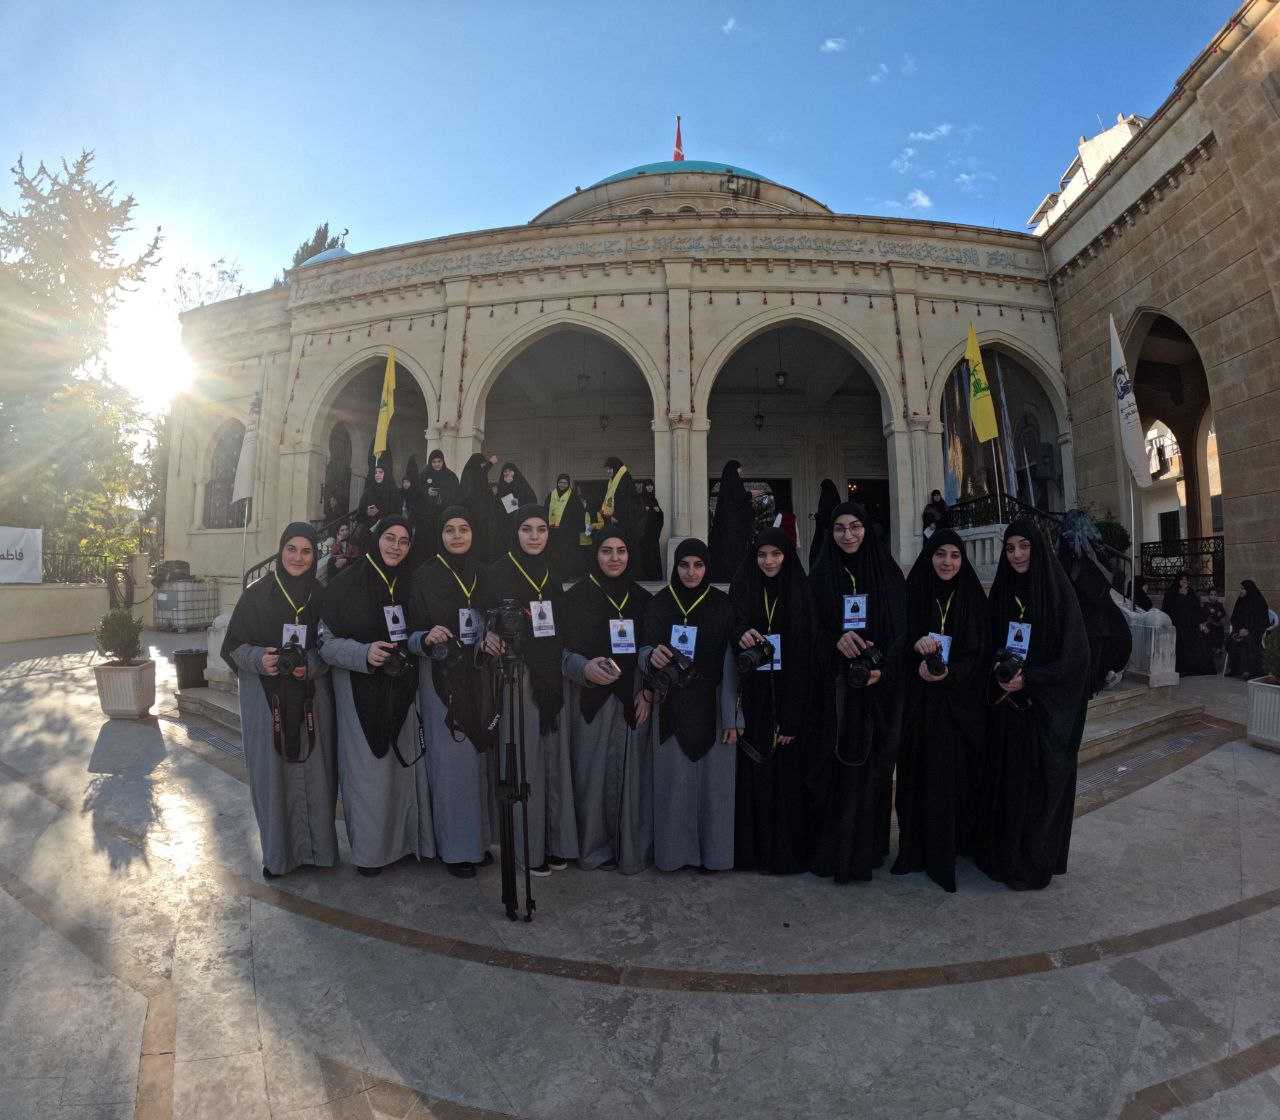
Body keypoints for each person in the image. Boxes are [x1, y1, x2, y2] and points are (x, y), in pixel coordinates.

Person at [976, 520, 1089, 892]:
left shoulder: (1058, 595)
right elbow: (988, 642)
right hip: (1008, 714)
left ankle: (1031, 864)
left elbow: (1075, 660)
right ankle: (1003, 858)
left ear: (1038, 549)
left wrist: (1031, 678)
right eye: (1010, 548)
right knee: (1008, 788)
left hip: (1042, 716)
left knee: (1038, 793)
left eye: (1024, 546)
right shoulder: (1004, 592)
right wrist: (998, 669)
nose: (1017, 555)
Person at [221, 523, 338, 880]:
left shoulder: (322, 596)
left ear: (315, 555)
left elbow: (330, 646)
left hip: (310, 699)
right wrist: (261, 659)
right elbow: (233, 646)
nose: (298, 558)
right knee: (272, 778)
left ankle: (319, 852)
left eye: (306, 551)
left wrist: (310, 664)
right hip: (266, 699)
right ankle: (278, 857)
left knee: (316, 774)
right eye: (291, 549)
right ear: (280, 550)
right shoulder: (257, 594)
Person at [319, 515, 433, 876]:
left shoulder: (410, 583)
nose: (396, 547)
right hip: (359, 691)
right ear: (376, 538)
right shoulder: (345, 584)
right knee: (368, 777)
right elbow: (325, 644)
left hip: (402, 688)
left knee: (402, 772)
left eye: (404, 541)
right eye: (389, 538)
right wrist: (363, 653)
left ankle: (404, 845)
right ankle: (371, 853)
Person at [805, 502, 908, 883]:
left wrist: (884, 667)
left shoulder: (887, 573)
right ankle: (834, 850)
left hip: (876, 692)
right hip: (835, 694)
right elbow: (809, 630)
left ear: (867, 529)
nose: (847, 535)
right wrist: (835, 640)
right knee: (836, 771)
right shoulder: (821, 577)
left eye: (855, 527)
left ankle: (867, 848)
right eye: (839, 528)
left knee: (872, 773)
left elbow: (902, 631)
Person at [890, 529, 989, 893]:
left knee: (948, 781)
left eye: (955, 555)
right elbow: (897, 640)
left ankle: (946, 853)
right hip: (919, 706)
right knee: (915, 777)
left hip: (955, 707)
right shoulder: (914, 592)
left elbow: (979, 653)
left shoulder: (973, 598)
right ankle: (914, 851)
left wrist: (951, 673)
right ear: (929, 557)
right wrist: (914, 649)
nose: (947, 562)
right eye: (940, 554)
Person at [479, 504, 576, 874]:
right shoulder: (497, 571)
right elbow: (481, 618)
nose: (535, 537)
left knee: (552, 763)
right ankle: (527, 849)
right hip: (516, 677)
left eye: (541, 529)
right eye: (526, 529)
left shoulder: (552, 571)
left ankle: (553, 843)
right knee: (524, 764)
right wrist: (487, 637)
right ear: (514, 532)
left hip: (551, 677)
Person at [638, 538, 740, 872]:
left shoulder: (722, 605)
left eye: (698, 565)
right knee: (674, 786)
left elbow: (731, 662)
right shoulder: (659, 603)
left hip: (712, 704)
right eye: (684, 565)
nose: (691, 572)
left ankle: (713, 856)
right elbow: (643, 648)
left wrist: (732, 716)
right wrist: (650, 657)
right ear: (675, 567)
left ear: (707, 567)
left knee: (713, 791)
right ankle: (673, 856)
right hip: (671, 704)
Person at [406, 507, 494, 878]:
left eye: (464, 529)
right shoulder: (424, 576)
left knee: (476, 764)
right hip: (441, 681)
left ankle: (476, 843)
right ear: (439, 535)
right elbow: (410, 633)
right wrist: (427, 638)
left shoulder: (482, 572)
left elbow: (491, 618)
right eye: (449, 530)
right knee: (451, 765)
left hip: (478, 677)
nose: (457, 536)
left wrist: (491, 636)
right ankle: (455, 851)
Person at [561, 528, 654, 873]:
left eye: (621, 550)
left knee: (630, 780)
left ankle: (627, 851)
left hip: (632, 699)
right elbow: (561, 651)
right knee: (592, 776)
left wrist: (648, 691)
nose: (615, 558)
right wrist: (584, 668)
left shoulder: (642, 598)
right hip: (590, 700)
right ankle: (593, 850)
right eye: (606, 551)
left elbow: (651, 648)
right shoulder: (577, 597)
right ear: (594, 554)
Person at [730, 527, 812, 874]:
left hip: (788, 696)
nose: (769, 561)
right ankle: (753, 853)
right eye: (762, 555)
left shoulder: (800, 591)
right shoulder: (743, 587)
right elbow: (729, 629)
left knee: (785, 779)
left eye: (776, 554)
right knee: (753, 776)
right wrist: (740, 633)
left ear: (786, 556)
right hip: (753, 698)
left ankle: (783, 852)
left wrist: (793, 714)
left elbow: (807, 655)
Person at [709, 460, 753, 582]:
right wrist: (750, 495)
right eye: (739, 469)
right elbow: (739, 499)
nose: (741, 472)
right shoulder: (735, 483)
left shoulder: (726, 485)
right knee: (735, 553)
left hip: (727, 529)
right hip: (735, 529)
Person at [1161, 573, 1213, 676]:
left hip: (1190, 625)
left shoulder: (1191, 592)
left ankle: (1192, 668)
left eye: (1186, 580)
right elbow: (1169, 608)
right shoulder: (1171, 593)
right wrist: (1181, 596)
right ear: (1178, 581)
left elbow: (1196, 608)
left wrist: (1201, 622)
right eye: (1182, 580)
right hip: (1177, 624)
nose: (1184, 582)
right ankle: (1180, 668)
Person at [457, 452, 502, 561]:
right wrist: (490, 463)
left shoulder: (474, 474)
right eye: (482, 464)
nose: (483, 466)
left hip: (481, 515)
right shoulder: (471, 473)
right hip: (475, 515)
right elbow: (478, 479)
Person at [546, 472, 589, 578]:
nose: (562, 485)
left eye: (565, 483)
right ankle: (555, 575)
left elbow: (580, 514)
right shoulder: (551, 495)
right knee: (554, 554)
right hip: (553, 532)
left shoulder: (573, 497)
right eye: (560, 482)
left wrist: (577, 529)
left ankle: (567, 575)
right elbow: (545, 510)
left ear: (568, 484)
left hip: (568, 534)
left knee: (568, 555)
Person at [1227, 579, 1271, 678]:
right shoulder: (1240, 601)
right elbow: (1234, 618)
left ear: (1249, 589)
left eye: (1243, 589)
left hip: (1255, 632)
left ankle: (1248, 670)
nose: (1240, 591)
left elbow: (1262, 621)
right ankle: (1235, 669)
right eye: (1240, 588)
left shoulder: (1259, 601)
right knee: (1231, 641)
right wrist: (1238, 630)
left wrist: (1248, 630)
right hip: (1240, 630)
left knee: (1247, 642)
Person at [597, 456, 643, 542]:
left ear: (616, 468)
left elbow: (626, 501)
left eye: (610, 469)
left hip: (622, 522)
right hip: (615, 520)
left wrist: (617, 516)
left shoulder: (624, 480)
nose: (607, 471)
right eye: (607, 469)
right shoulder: (613, 481)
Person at [418, 449, 460, 539]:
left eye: (439, 461)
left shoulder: (450, 476)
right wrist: (427, 491)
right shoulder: (424, 475)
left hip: (444, 514)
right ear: (430, 462)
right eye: (434, 462)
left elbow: (455, 493)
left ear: (443, 461)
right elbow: (418, 491)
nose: (437, 464)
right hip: (427, 516)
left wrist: (440, 492)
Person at [356, 456, 399, 544]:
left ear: (386, 473)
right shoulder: (368, 491)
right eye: (375, 472)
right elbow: (359, 515)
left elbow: (396, 514)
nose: (377, 475)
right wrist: (367, 512)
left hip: (386, 534)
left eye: (381, 472)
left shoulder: (393, 492)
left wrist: (379, 513)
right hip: (369, 535)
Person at [808, 479, 841, 571]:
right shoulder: (836, 500)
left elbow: (825, 516)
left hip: (824, 535)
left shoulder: (826, 499)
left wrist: (816, 516)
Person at [638, 480, 665, 580]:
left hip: (653, 534)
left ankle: (654, 576)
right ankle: (644, 576)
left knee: (653, 554)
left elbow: (660, 516)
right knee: (645, 554)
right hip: (644, 535)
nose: (650, 488)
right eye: (648, 486)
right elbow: (637, 515)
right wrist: (645, 511)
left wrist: (658, 512)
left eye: (651, 486)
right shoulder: (641, 499)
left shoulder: (654, 499)